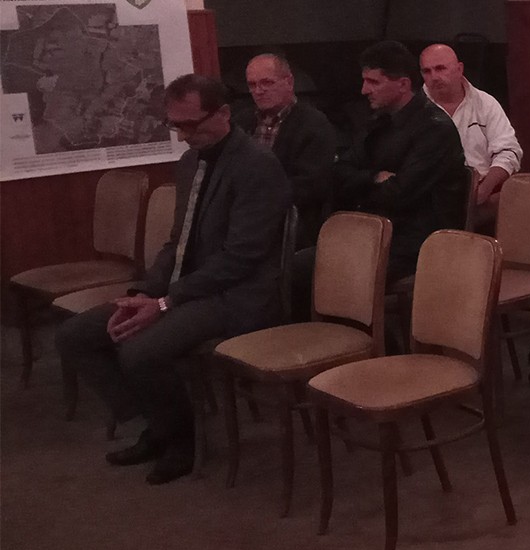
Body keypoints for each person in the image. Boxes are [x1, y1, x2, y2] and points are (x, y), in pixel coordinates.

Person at [56, 74, 291, 484]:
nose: (182, 136)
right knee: (75, 336)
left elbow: (241, 259)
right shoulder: (190, 162)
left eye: (191, 125)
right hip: (192, 288)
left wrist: (165, 303)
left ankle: (182, 440)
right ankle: (158, 423)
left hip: (239, 295)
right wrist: (143, 292)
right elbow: (177, 242)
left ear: (223, 114)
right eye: (174, 125)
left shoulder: (257, 165)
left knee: (139, 352)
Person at [332, 41, 466, 282]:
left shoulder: (435, 129)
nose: (364, 90)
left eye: (374, 82)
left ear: (403, 84)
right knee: (300, 266)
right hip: (374, 232)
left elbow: (399, 194)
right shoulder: (378, 122)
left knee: (325, 272)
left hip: (418, 243)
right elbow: (338, 173)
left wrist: (359, 187)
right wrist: (374, 177)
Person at [236, 52, 337, 249]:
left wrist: (258, 198)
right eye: (252, 85)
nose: (258, 91)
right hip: (244, 221)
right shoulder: (241, 122)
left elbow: (311, 185)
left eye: (267, 83)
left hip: (292, 227)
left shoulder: (314, 124)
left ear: (289, 82)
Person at [420, 43, 522, 221]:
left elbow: (509, 151)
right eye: (427, 71)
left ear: (459, 69)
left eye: (440, 68)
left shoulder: (486, 103)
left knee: (524, 198)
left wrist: (484, 189)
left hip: (482, 192)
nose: (434, 77)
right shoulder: (414, 109)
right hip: (430, 198)